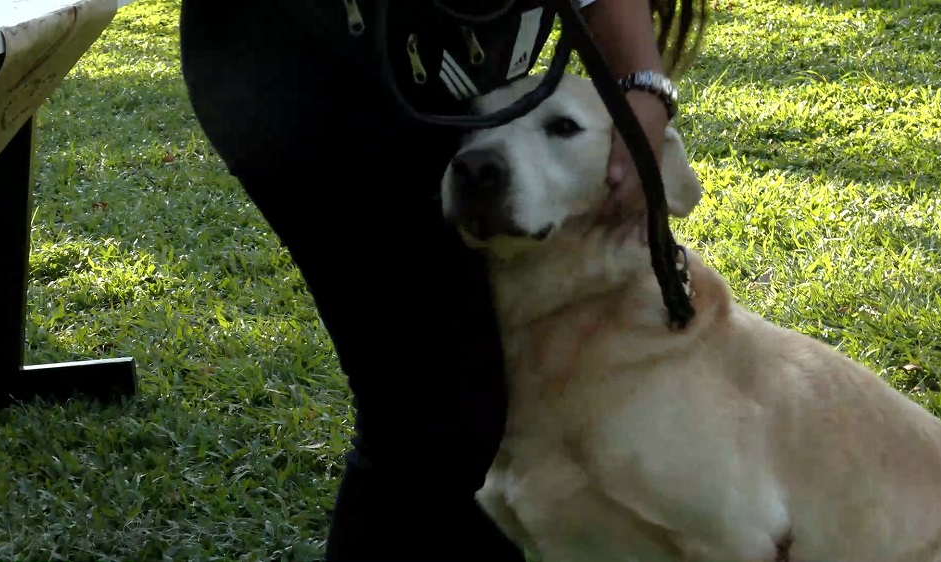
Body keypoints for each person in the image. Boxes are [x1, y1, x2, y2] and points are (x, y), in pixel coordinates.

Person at [177, 0, 705, 560]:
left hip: (444, 50)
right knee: (434, 412)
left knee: (469, 411)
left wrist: (644, 87)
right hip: (310, 53)